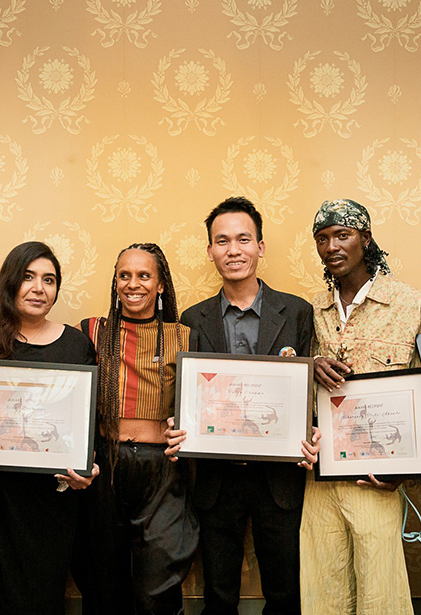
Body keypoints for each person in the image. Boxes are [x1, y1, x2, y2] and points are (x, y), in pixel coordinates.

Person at [165, 196, 319, 615]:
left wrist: (316, 429)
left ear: (261, 247)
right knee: (219, 594)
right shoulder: (191, 319)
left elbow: (311, 394)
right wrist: (178, 426)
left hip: (280, 478)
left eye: (243, 240)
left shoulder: (299, 313)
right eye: (222, 241)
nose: (233, 250)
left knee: (286, 592)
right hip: (216, 478)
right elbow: (185, 392)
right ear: (210, 250)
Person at [300, 198, 421, 615]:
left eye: (343, 235)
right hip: (320, 477)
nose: (332, 246)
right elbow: (293, 390)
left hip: (377, 478)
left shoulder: (411, 305)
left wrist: (404, 473)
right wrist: (310, 366)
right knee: (321, 587)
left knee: (382, 592)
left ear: (366, 238)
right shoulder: (313, 311)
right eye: (322, 239)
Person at [0, 241, 100, 614]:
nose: (39, 288)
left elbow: (86, 421)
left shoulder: (76, 343)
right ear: (10, 282)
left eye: (49, 280)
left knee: (39, 597)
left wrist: (88, 465)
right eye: (28, 277)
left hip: (49, 503)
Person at [72, 243, 198, 615]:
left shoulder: (184, 336)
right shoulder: (92, 331)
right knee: (103, 577)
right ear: (115, 282)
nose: (133, 284)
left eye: (144, 276)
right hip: (107, 465)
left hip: (163, 470)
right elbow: (40, 340)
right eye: (124, 276)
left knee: (156, 582)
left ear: (160, 285)